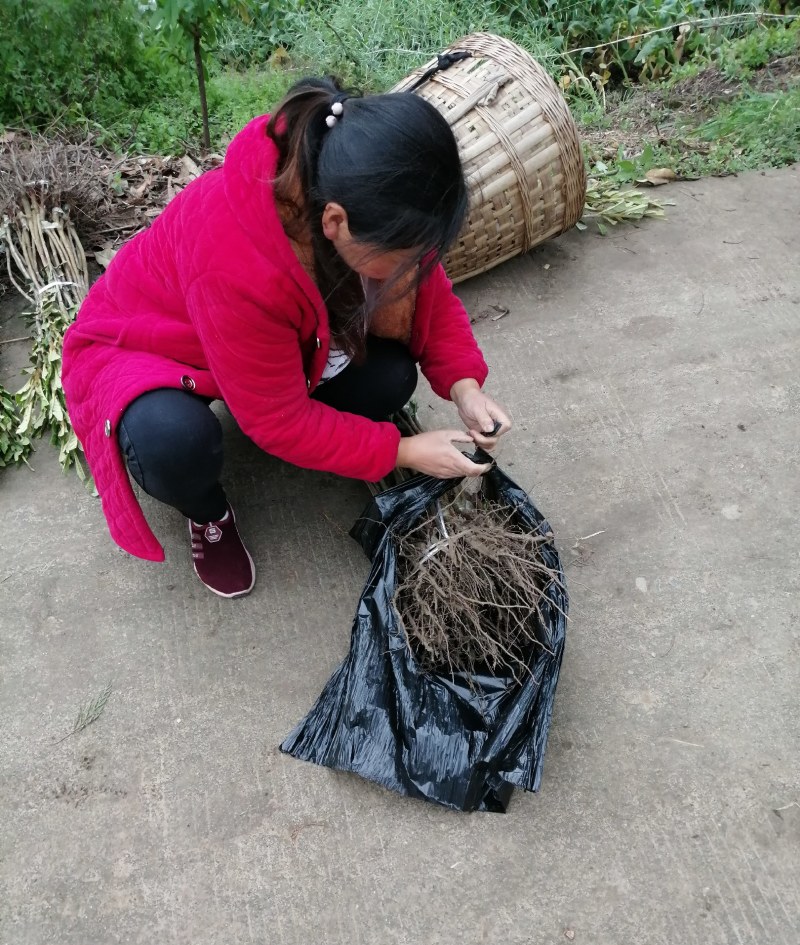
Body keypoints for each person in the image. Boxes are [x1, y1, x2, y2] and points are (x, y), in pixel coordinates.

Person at [62, 77, 512, 598]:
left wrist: (464, 386)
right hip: (152, 343)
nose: (414, 267)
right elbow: (275, 421)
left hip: (255, 341)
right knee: (174, 444)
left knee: (389, 378)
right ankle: (208, 514)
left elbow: (428, 287)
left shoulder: (359, 192)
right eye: (405, 256)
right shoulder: (235, 262)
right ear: (336, 223)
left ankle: (283, 393)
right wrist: (403, 452)